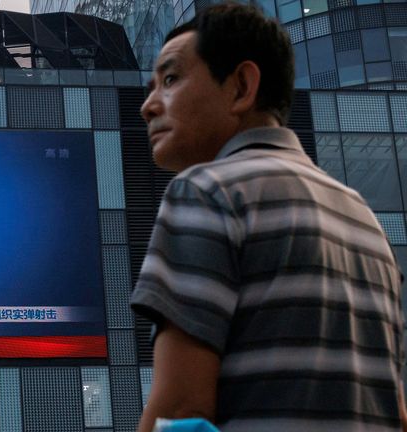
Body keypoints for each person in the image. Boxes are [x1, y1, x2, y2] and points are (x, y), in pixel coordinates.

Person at [129, 3, 407, 431]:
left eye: (170, 79)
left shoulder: (205, 192)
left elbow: (180, 412)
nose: (149, 105)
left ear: (241, 86)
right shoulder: (365, 221)